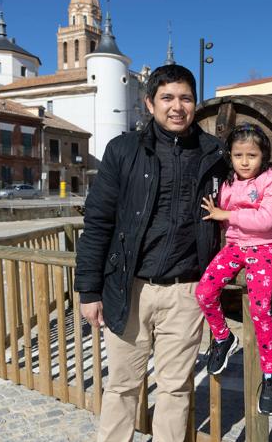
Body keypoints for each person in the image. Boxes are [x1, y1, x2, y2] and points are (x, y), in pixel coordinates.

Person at [74, 64, 229, 442]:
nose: (177, 107)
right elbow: (98, 221)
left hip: (187, 292)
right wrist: (89, 290)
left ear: (195, 103)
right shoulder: (123, 150)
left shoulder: (213, 153)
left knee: (176, 389)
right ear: (149, 103)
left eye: (186, 98)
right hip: (130, 288)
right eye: (168, 98)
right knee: (123, 387)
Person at [195, 123, 272, 416]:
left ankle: (271, 375)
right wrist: (220, 213)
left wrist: (226, 214)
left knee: (261, 310)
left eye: (252, 155)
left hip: (264, 248)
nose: (245, 162)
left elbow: (266, 220)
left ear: (263, 156)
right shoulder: (228, 183)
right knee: (204, 291)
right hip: (234, 247)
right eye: (238, 155)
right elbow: (223, 218)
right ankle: (223, 337)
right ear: (230, 156)